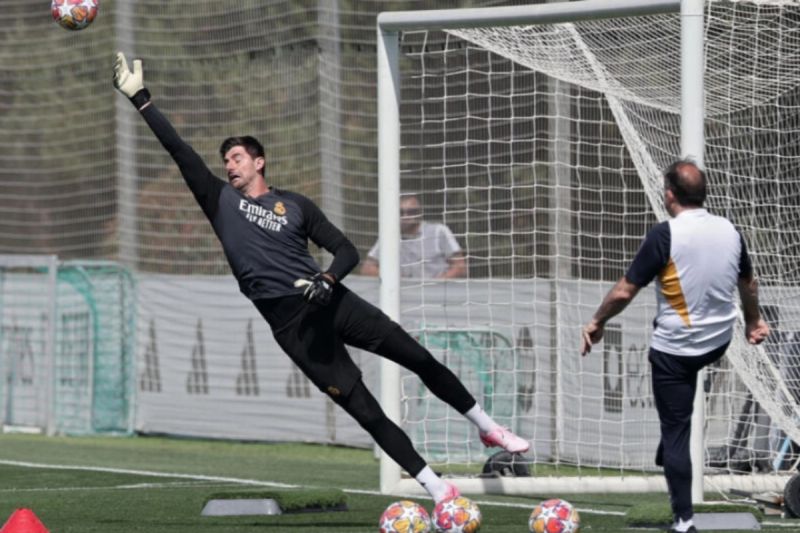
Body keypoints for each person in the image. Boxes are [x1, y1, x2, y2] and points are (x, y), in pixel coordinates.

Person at [113, 52, 528, 503]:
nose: (228, 165)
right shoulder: (218, 201)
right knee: (366, 410)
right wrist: (141, 100)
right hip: (293, 326)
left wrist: (329, 279)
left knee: (419, 358)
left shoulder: (295, 206)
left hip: (332, 301)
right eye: (225, 160)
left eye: (236, 157)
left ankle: (488, 428)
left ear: (259, 162)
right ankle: (437, 488)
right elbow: (179, 151)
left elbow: (347, 250)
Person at [579, 160, 769, 533]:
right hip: (717, 341)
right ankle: (670, 450)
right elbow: (749, 283)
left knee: (676, 429)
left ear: (669, 194)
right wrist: (753, 321)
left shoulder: (665, 234)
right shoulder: (731, 230)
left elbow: (623, 292)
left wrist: (597, 322)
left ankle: (684, 522)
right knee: (677, 421)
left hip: (676, 351)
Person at [360, 193, 467, 279]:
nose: (406, 216)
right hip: (403, 297)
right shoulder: (389, 236)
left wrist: (436, 284)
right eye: (401, 212)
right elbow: (367, 268)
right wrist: (392, 280)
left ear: (421, 212)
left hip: (438, 295)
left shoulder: (439, 231)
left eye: (412, 212)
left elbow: (460, 267)